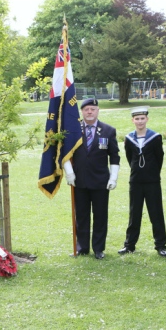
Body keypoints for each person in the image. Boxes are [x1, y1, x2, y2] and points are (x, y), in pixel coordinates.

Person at [63, 98, 120, 259]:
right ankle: (82, 248)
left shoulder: (108, 131)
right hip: (79, 181)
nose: (89, 112)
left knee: (100, 216)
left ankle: (98, 249)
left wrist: (113, 178)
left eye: (93, 109)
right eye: (86, 109)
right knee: (81, 216)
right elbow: (65, 154)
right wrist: (69, 173)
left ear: (98, 111)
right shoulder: (73, 130)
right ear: (82, 111)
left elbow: (114, 157)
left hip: (101, 182)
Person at [118, 106, 166, 257]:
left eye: (142, 118)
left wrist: (151, 172)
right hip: (136, 181)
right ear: (133, 120)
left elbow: (159, 158)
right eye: (137, 119)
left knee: (156, 213)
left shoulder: (155, 137)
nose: (140, 121)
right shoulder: (129, 138)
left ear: (147, 119)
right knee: (134, 213)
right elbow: (129, 158)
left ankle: (161, 245)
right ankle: (129, 245)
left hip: (152, 181)